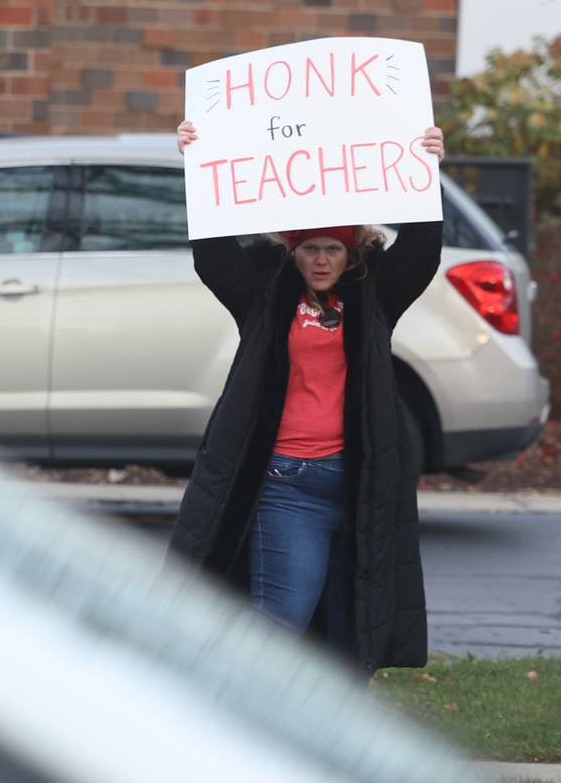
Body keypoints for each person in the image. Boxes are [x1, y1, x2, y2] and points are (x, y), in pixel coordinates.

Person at [167, 119, 444, 673]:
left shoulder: (373, 297)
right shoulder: (264, 297)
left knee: (349, 636)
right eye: (310, 248)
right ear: (292, 251)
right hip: (287, 485)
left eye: (333, 250)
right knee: (280, 623)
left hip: (359, 485)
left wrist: (427, 167)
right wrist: (198, 165)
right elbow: (214, 258)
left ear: (352, 252)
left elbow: (421, 254)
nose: (321, 260)